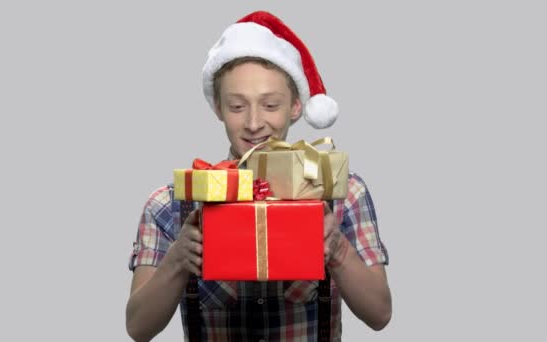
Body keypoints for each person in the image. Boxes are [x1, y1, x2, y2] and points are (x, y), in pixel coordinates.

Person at [126, 11, 391, 342]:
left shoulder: (343, 192)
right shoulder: (170, 204)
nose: (254, 123)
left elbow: (380, 314)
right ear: (218, 108)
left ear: (296, 105)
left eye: (270, 105)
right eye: (237, 107)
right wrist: (178, 260)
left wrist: (336, 248)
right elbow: (137, 328)